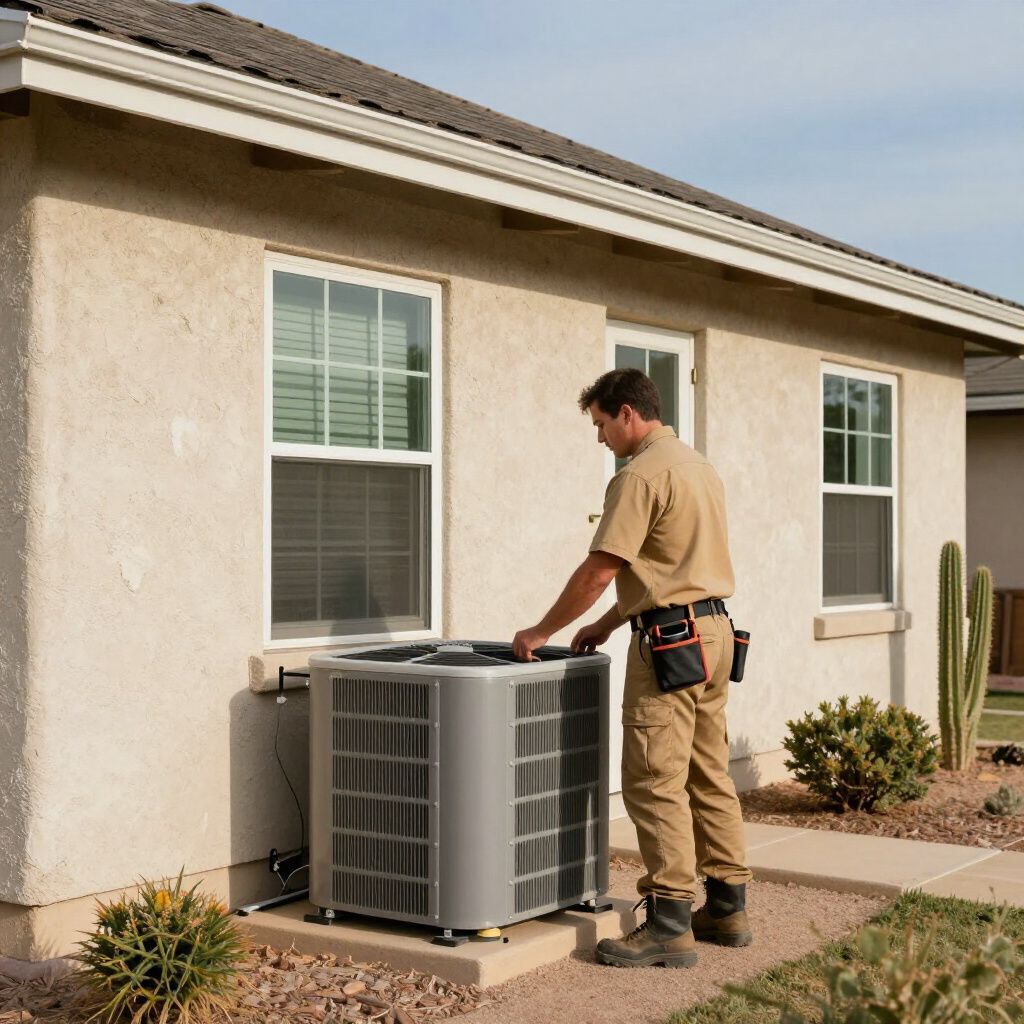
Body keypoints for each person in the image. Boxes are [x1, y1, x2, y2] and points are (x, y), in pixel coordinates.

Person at [512, 367, 752, 969]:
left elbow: (601, 568)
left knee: (653, 779)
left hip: (670, 645)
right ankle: (726, 907)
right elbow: (667, 565)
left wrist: (543, 631)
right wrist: (611, 624)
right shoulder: (698, 465)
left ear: (625, 413)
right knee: (709, 773)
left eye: (599, 424)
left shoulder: (639, 475)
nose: (599, 439)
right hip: (715, 633)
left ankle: (670, 922)